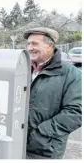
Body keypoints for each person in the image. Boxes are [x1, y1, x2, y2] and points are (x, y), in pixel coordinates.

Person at [23, 27, 82, 159]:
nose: (29, 48)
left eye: (34, 44)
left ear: (50, 46)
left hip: (45, 151)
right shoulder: (22, 69)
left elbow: (76, 112)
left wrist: (40, 133)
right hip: (17, 144)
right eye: (28, 44)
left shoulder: (71, 74)